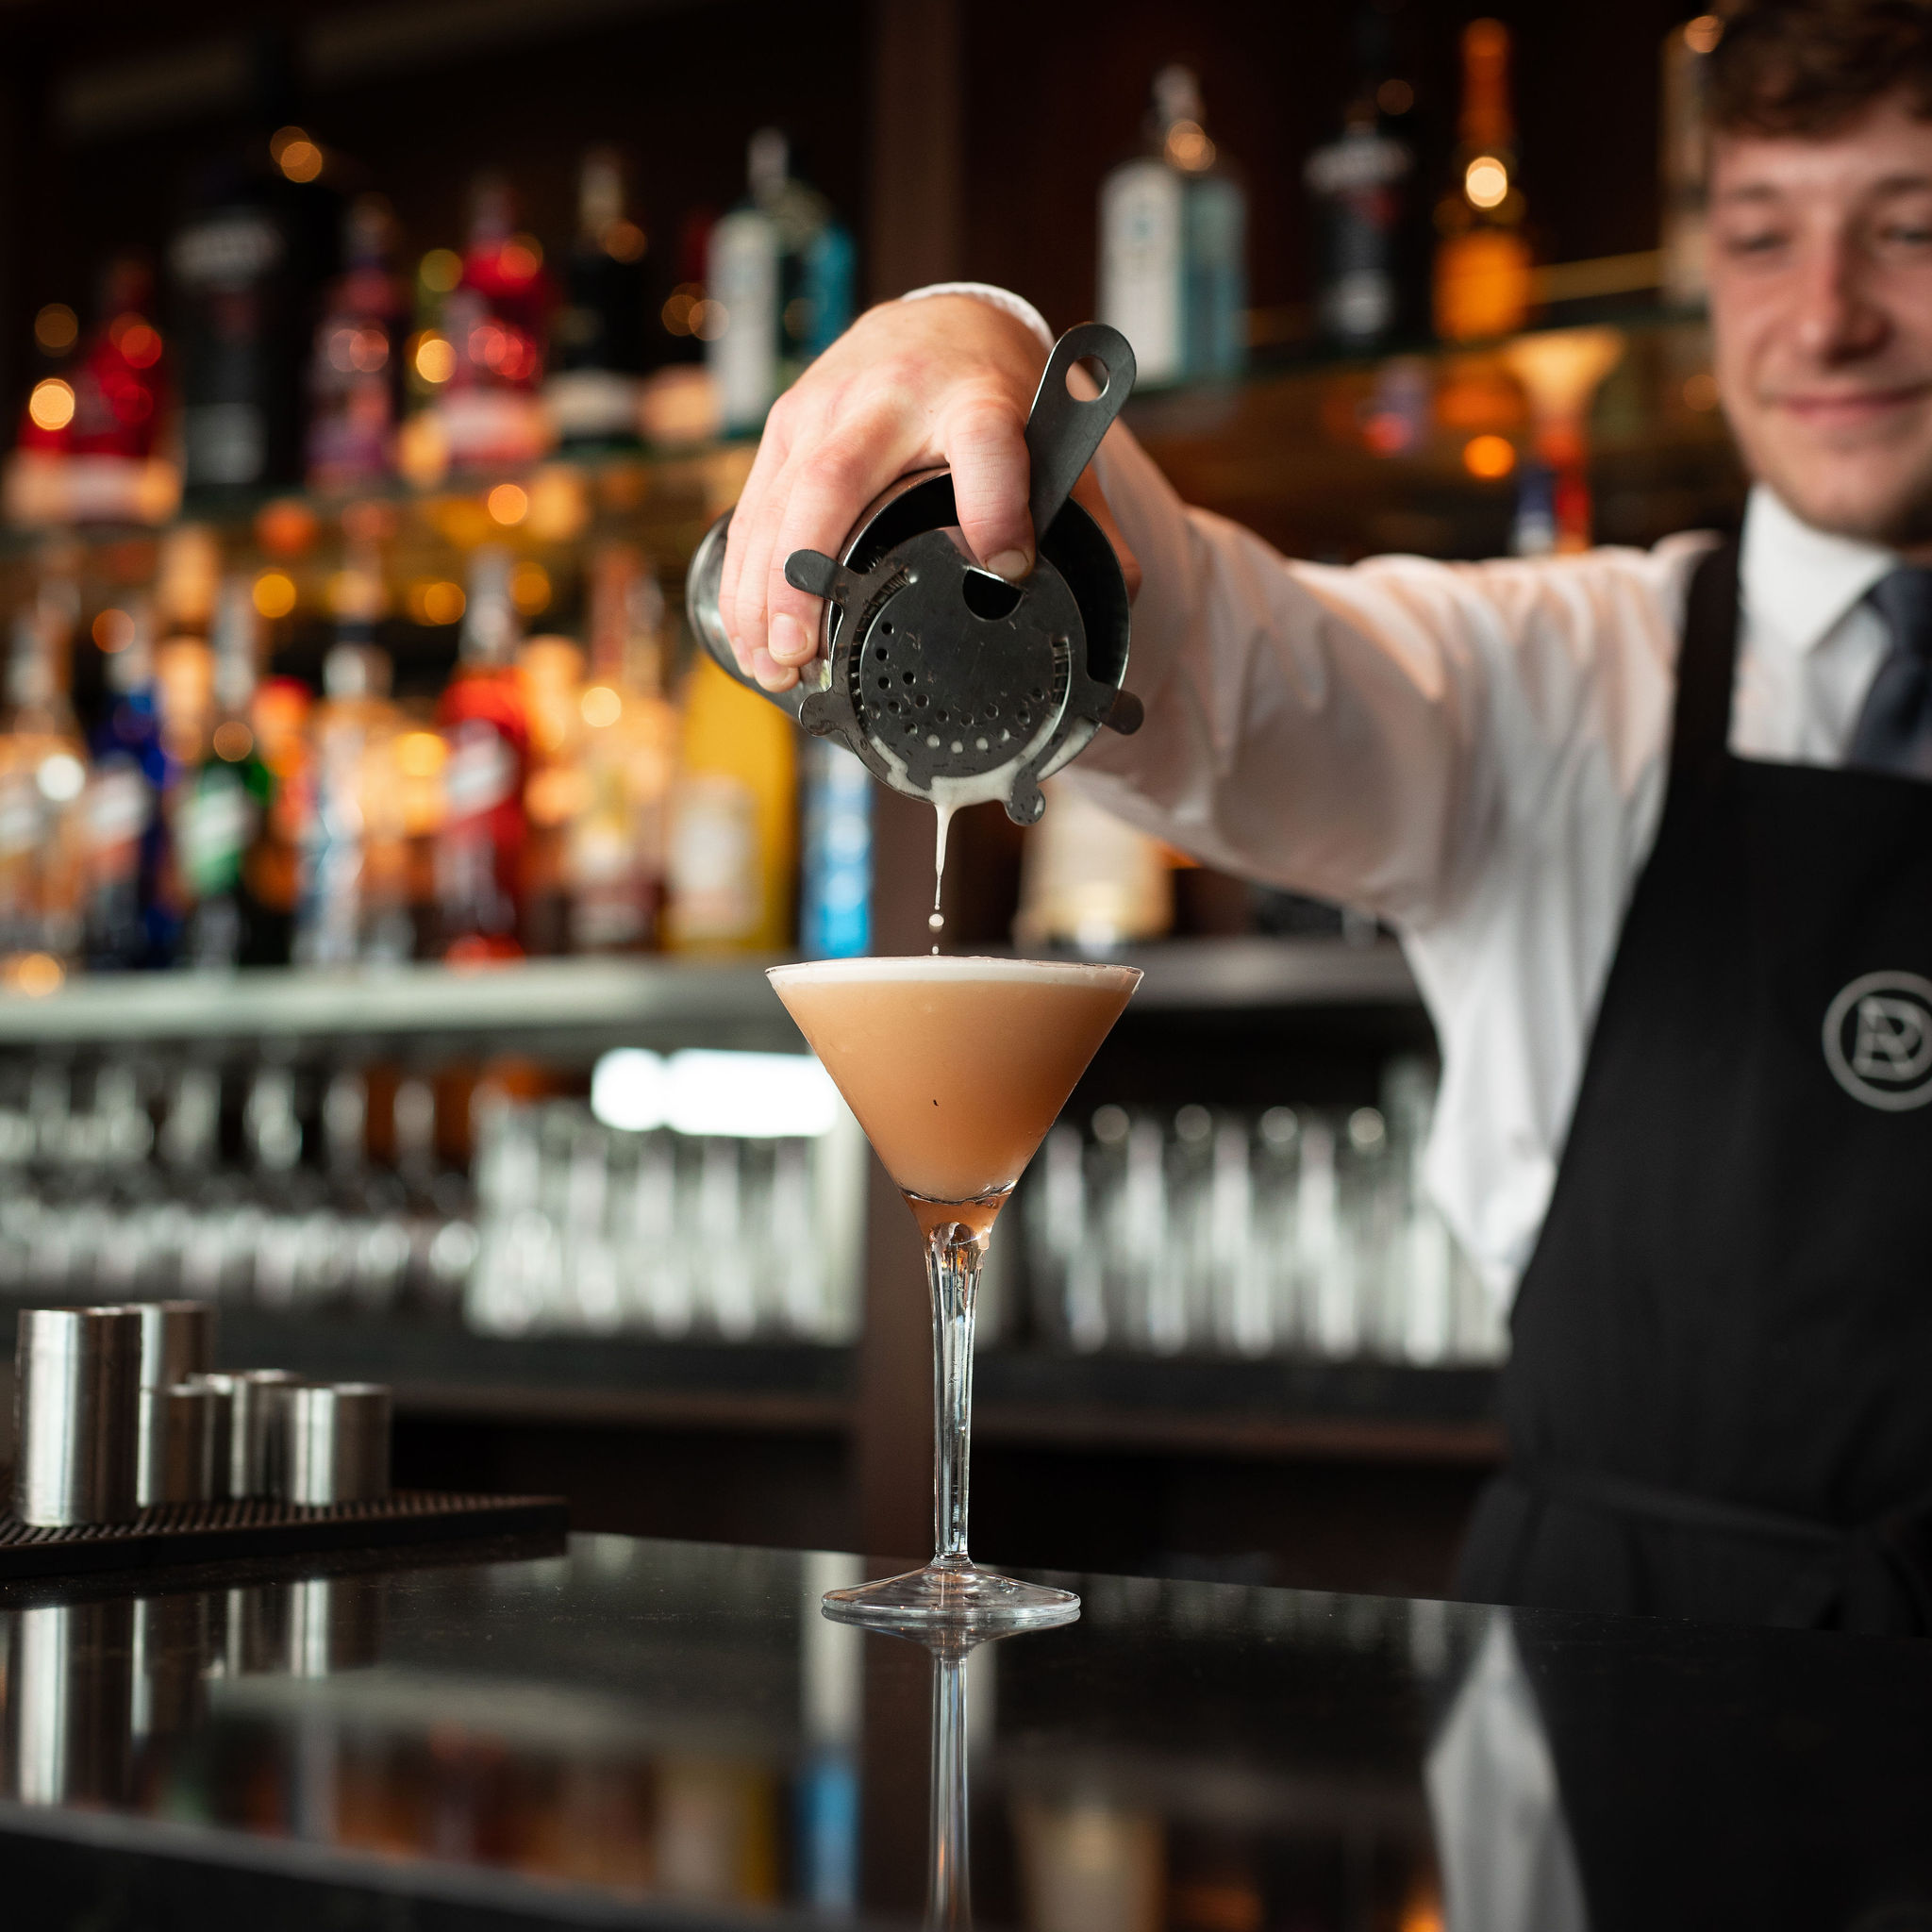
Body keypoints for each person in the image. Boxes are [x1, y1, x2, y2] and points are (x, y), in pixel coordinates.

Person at [720, 0, 1932, 1635]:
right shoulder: (1568, 678)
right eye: (1765, 237)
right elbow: (1224, 658)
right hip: (1611, 1679)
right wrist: (980, 355)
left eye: (1909, 231)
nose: (1829, 319)